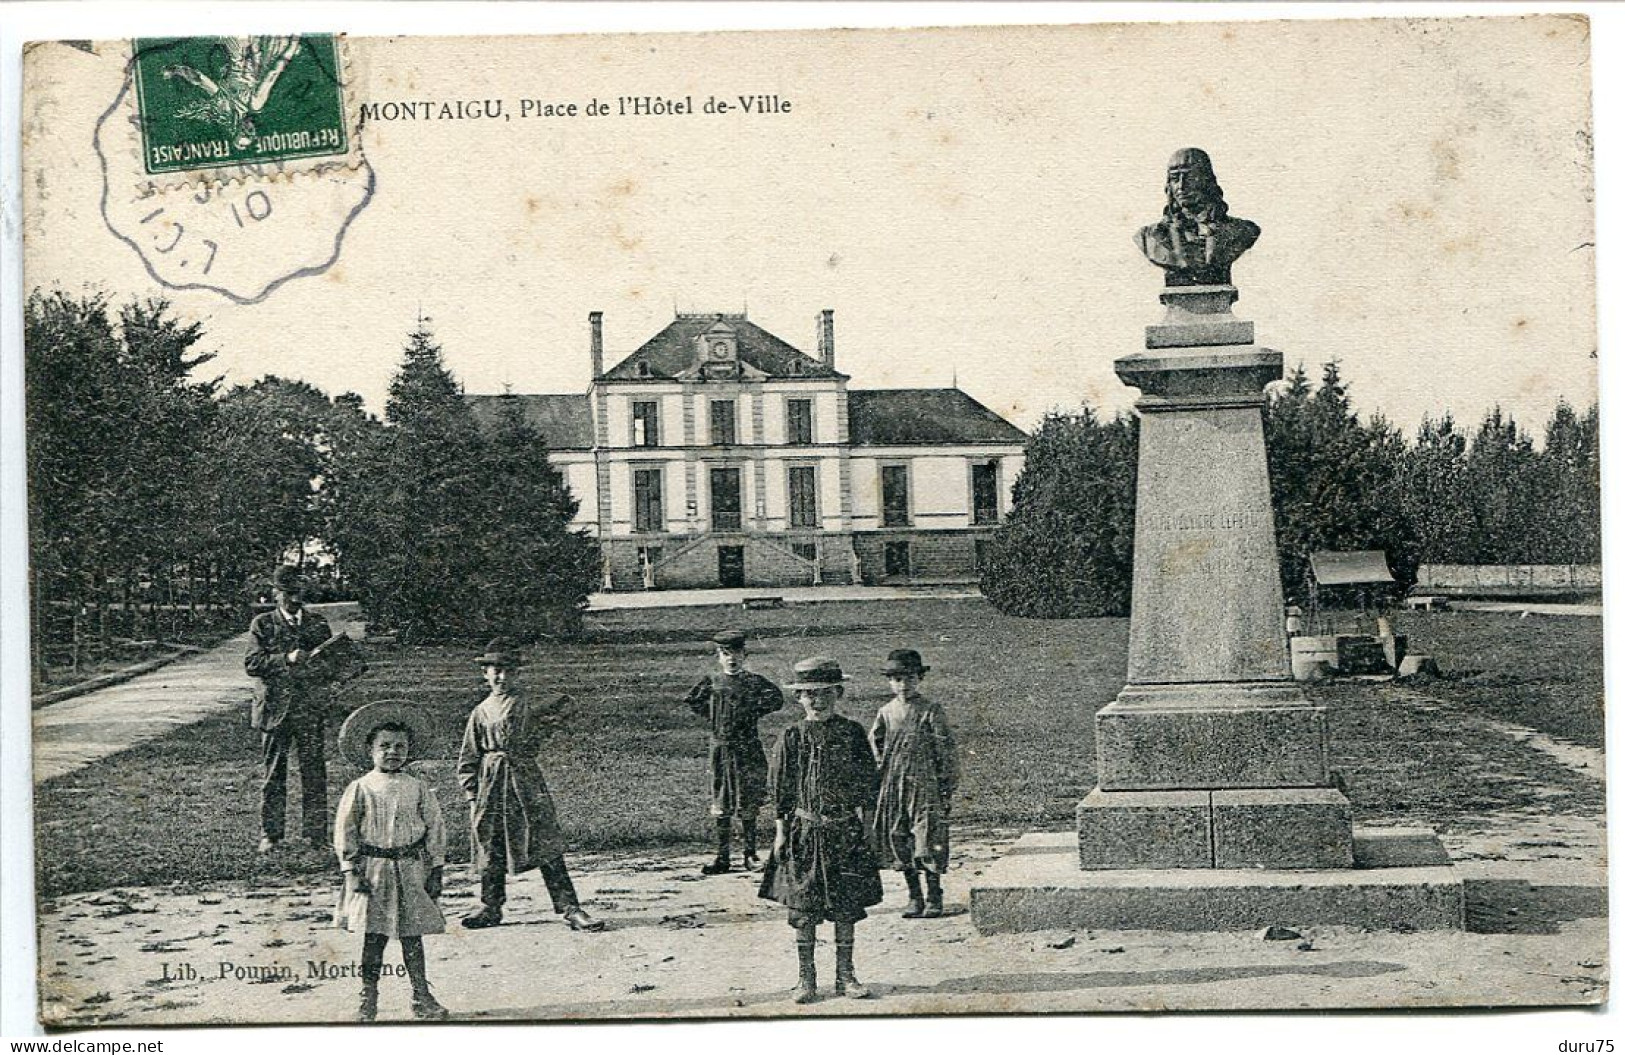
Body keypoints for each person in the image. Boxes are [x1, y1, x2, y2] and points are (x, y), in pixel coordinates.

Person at [758, 656, 883, 1004]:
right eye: (809, 694)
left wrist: (869, 830)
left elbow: (868, 787)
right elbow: (781, 790)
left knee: (846, 904)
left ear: (838, 692)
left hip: (844, 831)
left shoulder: (852, 733)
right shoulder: (792, 736)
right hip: (804, 831)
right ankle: (806, 979)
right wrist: (781, 833)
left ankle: (846, 976)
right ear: (799, 698)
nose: (817, 699)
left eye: (825, 692)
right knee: (803, 906)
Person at [457, 639, 605, 932]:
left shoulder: (528, 703)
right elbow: (469, 756)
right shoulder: (480, 712)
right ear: (484, 673)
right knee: (490, 842)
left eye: (508, 670)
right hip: (490, 783)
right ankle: (490, 905)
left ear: (518, 674)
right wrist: (472, 794)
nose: (501, 677)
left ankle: (570, 908)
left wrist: (541, 732)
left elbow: (564, 707)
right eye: (495, 670)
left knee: (544, 839)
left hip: (524, 781)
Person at [333, 702, 449, 1022]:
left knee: (412, 936)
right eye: (384, 746)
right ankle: (368, 997)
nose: (393, 752)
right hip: (374, 871)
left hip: (410, 869)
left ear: (409, 751)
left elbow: (435, 828)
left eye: (400, 746)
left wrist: (435, 868)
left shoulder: (417, 788)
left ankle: (421, 995)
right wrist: (350, 872)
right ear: (370, 750)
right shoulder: (360, 788)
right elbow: (346, 831)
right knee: (375, 936)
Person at [245, 565, 341, 853]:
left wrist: (323, 669)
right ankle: (270, 835)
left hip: (309, 709)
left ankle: (317, 836)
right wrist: (287, 658)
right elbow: (252, 664)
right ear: (276, 594)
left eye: (299, 593)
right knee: (274, 773)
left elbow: (332, 664)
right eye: (288, 593)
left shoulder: (317, 624)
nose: (295, 599)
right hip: (275, 710)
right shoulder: (262, 624)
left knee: (314, 773)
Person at [683, 630, 786, 874]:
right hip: (720, 748)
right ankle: (722, 856)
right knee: (722, 799)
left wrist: (752, 711)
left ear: (745, 654)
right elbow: (693, 700)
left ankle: (750, 854)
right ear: (718, 656)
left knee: (747, 798)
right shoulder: (713, 680)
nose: (732, 659)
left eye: (737, 653)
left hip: (747, 747)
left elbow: (776, 699)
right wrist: (715, 716)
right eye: (725, 653)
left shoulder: (753, 681)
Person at [869, 649, 959, 919]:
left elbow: (946, 751)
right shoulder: (885, 712)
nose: (903, 685)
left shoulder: (930, 710)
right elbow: (876, 748)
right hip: (893, 786)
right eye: (896, 679)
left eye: (908, 678)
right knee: (899, 838)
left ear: (919, 678)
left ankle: (934, 894)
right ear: (889, 682)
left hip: (925, 785)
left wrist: (946, 787)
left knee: (928, 838)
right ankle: (914, 895)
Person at [1135, 147, 1261, 286]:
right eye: (1175, 178)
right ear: (1169, 185)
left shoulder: (1241, 230)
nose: (1181, 186)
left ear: (1206, 180)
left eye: (1189, 177)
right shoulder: (1151, 235)